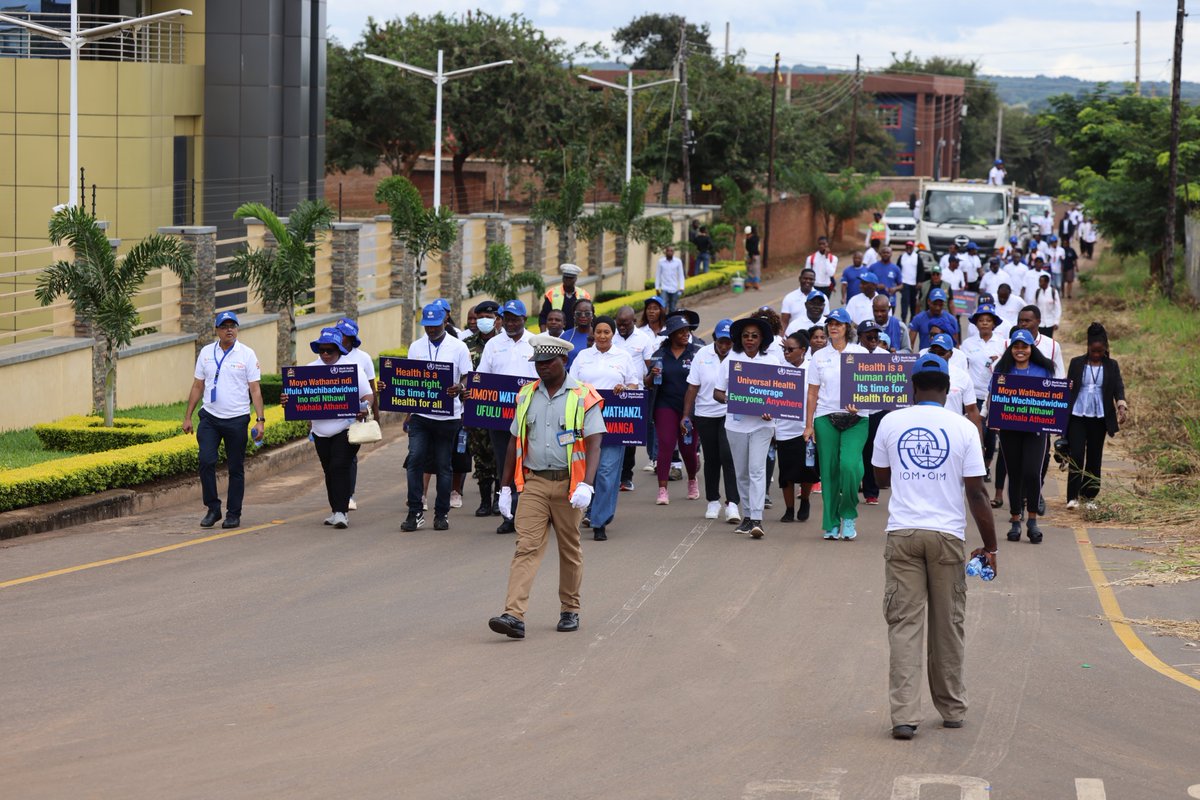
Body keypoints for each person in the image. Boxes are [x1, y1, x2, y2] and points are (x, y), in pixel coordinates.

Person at [871, 352, 998, 741]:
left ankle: (905, 717)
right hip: (947, 538)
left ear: (913, 387)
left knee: (905, 626)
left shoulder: (892, 421)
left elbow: (880, 477)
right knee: (948, 625)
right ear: (947, 390)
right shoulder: (963, 429)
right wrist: (990, 546)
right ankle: (952, 708)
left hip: (904, 534)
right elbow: (976, 494)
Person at [488, 333, 606, 639]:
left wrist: (587, 485)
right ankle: (513, 615)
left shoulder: (584, 395)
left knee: (569, 550)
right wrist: (504, 487)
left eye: (547, 362)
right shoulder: (526, 395)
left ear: (563, 361)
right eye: (538, 363)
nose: (541, 368)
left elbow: (594, 444)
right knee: (526, 547)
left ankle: (570, 608)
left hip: (570, 486)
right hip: (535, 482)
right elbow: (515, 441)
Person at [183, 311, 264, 530]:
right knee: (206, 461)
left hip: (237, 419)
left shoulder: (246, 354)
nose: (229, 329)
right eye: (224, 326)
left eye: (233, 326)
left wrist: (260, 420)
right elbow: (198, 385)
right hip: (209, 417)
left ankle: (233, 513)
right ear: (217, 330)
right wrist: (188, 416)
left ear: (237, 329)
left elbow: (254, 389)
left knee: (235, 467)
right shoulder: (207, 352)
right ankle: (213, 508)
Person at [400, 303, 473, 533]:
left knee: (443, 465)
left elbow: (468, 377)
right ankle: (415, 511)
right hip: (421, 415)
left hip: (448, 416)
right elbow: (410, 380)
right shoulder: (416, 347)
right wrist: (406, 412)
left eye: (435, 325)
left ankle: (441, 514)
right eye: (427, 326)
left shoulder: (458, 347)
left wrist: (459, 387)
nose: (431, 329)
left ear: (445, 322)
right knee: (414, 461)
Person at [568, 315, 639, 541]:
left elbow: (634, 384)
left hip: (613, 422)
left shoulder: (623, 356)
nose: (602, 336)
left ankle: (600, 521)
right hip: (584, 419)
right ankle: (583, 511)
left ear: (613, 334)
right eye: (598, 331)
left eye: (606, 332)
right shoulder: (582, 356)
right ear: (593, 332)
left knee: (607, 472)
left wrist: (625, 387)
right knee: (585, 470)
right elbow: (571, 384)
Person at [803, 308, 870, 540]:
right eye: (830, 323)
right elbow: (812, 392)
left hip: (857, 418)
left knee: (850, 466)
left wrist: (860, 404)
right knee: (829, 471)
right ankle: (831, 523)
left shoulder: (860, 352)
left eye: (838, 324)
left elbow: (870, 388)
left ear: (847, 328)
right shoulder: (819, 356)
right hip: (825, 416)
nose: (833, 327)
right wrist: (809, 424)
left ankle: (848, 515)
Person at [713, 316, 780, 538]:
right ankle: (748, 516)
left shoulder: (772, 362)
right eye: (746, 336)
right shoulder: (730, 361)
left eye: (754, 336)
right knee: (741, 473)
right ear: (739, 339)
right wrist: (734, 399)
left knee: (757, 470)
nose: (750, 340)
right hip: (736, 425)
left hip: (763, 425)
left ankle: (758, 518)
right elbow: (717, 392)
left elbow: (781, 394)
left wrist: (772, 408)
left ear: (762, 339)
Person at [477, 299, 538, 534]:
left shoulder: (535, 343)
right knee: (506, 465)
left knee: (532, 465)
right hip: (499, 417)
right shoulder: (493, 344)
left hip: (530, 416)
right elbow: (482, 376)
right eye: (507, 318)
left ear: (524, 319)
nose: (511, 323)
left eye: (516, 318)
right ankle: (509, 515)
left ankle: (532, 513)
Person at [306, 329, 373, 529]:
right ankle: (336, 510)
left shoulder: (352, 369)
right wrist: (288, 400)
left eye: (330, 350)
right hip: (320, 431)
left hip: (346, 427)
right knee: (329, 470)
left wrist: (364, 408)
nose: (325, 354)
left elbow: (368, 395)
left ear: (339, 351)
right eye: (322, 350)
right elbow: (299, 396)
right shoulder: (310, 369)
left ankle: (342, 512)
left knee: (339, 467)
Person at [993, 329, 1056, 543]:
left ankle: (1032, 520)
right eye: (1016, 347)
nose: (1020, 351)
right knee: (1015, 474)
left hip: (1035, 431)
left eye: (1024, 347)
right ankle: (1015, 521)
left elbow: (1052, 397)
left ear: (1031, 348)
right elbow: (995, 398)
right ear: (1011, 348)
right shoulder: (1002, 370)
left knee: (1032, 472)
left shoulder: (1044, 370)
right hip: (1010, 431)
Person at [683, 318, 742, 525]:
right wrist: (686, 415)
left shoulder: (739, 356)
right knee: (712, 458)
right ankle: (713, 500)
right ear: (715, 339)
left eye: (729, 342)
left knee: (728, 456)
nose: (725, 346)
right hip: (705, 413)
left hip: (731, 413)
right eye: (721, 341)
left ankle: (732, 503)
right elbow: (692, 387)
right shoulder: (702, 354)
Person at [1065, 323, 1128, 510]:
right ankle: (1072, 497)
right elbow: (1068, 389)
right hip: (1077, 415)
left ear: (1105, 349)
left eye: (1100, 352)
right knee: (1076, 455)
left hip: (1099, 418)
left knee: (1094, 457)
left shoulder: (1112, 366)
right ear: (1088, 347)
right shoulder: (1076, 363)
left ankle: (1088, 496)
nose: (1096, 355)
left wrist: (1121, 406)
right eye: (1093, 351)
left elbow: (1118, 387)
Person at [646, 315, 701, 505]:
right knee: (666, 444)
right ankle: (662, 490)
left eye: (687, 331)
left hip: (690, 408)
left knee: (688, 449)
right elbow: (647, 383)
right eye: (681, 332)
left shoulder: (696, 353)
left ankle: (692, 480)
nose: (686, 335)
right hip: (665, 405)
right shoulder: (659, 354)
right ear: (671, 334)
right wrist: (652, 375)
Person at [334, 317, 376, 513]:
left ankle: (348, 495)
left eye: (342, 335)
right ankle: (338, 496)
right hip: (333, 415)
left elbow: (371, 388)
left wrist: (375, 414)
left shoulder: (363, 358)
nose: (339, 337)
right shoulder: (330, 356)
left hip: (356, 416)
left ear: (350, 339)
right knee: (335, 460)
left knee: (349, 457)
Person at [464, 300, 502, 517]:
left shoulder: (504, 343)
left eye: (490, 317)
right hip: (475, 408)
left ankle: (499, 499)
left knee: (499, 454)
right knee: (480, 455)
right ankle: (484, 501)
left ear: (497, 319)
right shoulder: (466, 345)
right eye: (481, 318)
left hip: (500, 408)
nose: (485, 322)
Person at [776, 330, 819, 522]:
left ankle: (805, 501)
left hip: (806, 428)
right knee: (786, 473)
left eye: (790, 349)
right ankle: (789, 509)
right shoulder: (778, 369)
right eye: (784, 349)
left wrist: (815, 424)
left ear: (803, 350)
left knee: (807, 471)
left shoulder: (813, 368)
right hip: (784, 428)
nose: (786, 353)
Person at [961, 304, 1006, 481]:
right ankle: (975, 467)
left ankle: (986, 467)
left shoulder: (1002, 343)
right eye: (981, 320)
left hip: (993, 395)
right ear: (976, 324)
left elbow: (1007, 367)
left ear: (994, 324)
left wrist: (999, 360)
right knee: (976, 432)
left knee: (990, 434)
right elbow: (964, 367)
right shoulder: (968, 343)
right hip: (974, 394)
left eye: (988, 320)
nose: (985, 323)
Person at [613, 305, 653, 492]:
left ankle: (626, 476)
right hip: (611, 393)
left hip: (634, 394)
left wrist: (646, 384)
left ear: (634, 322)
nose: (621, 327)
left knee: (629, 439)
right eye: (619, 323)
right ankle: (612, 475)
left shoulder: (644, 339)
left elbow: (650, 367)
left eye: (625, 324)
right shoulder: (610, 335)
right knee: (611, 437)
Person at [1012, 305, 1065, 378]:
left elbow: (1059, 376)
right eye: (1020, 321)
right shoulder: (1009, 344)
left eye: (1027, 321)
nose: (1023, 324)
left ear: (1038, 321)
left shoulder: (1052, 346)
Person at [538, 262, 591, 332]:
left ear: (575, 279)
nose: (568, 280)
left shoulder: (584, 295)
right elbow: (543, 316)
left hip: (577, 333)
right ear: (562, 278)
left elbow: (590, 317)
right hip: (556, 334)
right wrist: (544, 335)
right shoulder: (552, 293)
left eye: (571, 278)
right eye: (566, 277)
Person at [782, 269, 830, 334]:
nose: (808, 281)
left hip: (819, 336)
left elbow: (826, 318)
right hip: (796, 334)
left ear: (814, 280)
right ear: (800, 279)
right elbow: (784, 322)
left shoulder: (823, 297)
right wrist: (781, 338)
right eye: (805, 278)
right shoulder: (789, 298)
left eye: (811, 279)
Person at [559, 298, 594, 368]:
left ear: (592, 316)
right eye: (578, 313)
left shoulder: (599, 335)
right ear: (574, 316)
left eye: (587, 313)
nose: (583, 316)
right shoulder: (566, 336)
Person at [656, 246, 687, 312]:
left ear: (673, 252)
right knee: (663, 306)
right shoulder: (661, 262)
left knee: (672, 308)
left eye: (671, 251)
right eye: (668, 251)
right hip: (664, 288)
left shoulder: (678, 262)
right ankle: (663, 321)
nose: (669, 252)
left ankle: (671, 321)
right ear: (665, 252)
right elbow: (658, 275)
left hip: (674, 288)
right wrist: (657, 287)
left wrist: (682, 287)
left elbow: (681, 275)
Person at [897, 240, 922, 322]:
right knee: (904, 302)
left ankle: (912, 319)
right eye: (907, 246)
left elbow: (921, 270)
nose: (908, 248)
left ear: (913, 247)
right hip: (904, 284)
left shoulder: (917, 257)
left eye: (910, 246)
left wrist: (919, 281)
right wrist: (898, 282)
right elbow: (898, 270)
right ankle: (903, 319)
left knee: (913, 302)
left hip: (914, 284)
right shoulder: (902, 257)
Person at [1033, 273, 1061, 337]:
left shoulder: (1053, 292)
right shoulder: (1037, 292)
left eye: (1041, 282)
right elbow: (1034, 307)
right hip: (1039, 323)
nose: (1039, 283)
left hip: (1050, 323)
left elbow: (1058, 308)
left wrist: (1056, 322)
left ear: (1047, 282)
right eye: (1039, 281)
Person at [744, 225, 761, 290]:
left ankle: (749, 284)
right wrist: (752, 256)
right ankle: (755, 284)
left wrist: (750, 256)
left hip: (751, 255)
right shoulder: (755, 238)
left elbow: (748, 248)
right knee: (755, 271)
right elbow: (753, 248)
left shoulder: (748, 239)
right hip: (755, 255)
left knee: (750, 270)